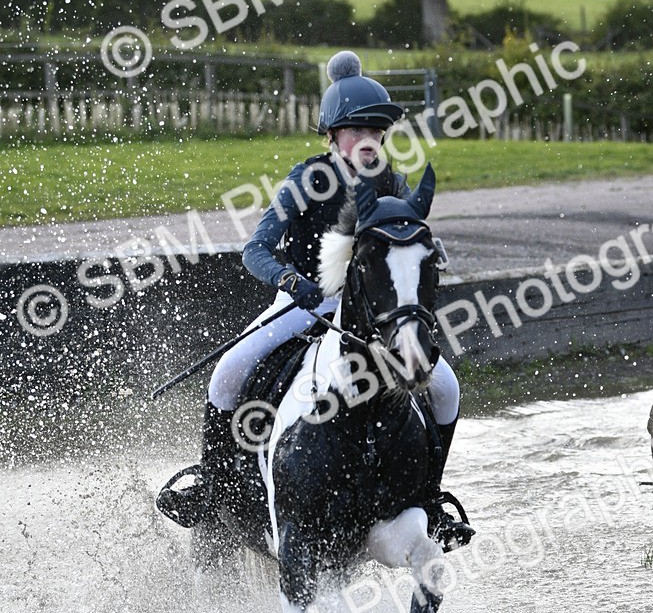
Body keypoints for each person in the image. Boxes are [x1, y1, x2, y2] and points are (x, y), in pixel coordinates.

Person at [157, 51, 473, 550]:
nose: (367, 139)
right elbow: (255, 250)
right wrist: (289, 279)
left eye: (376, 131)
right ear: (332, 134)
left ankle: (429, 500)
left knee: (446, 387)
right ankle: (212, 488)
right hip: (303, 306)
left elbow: (407, 238)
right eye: (356, 130)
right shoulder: (305, 182)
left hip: (367, 316)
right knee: (227, 373)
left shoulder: (391, 183)